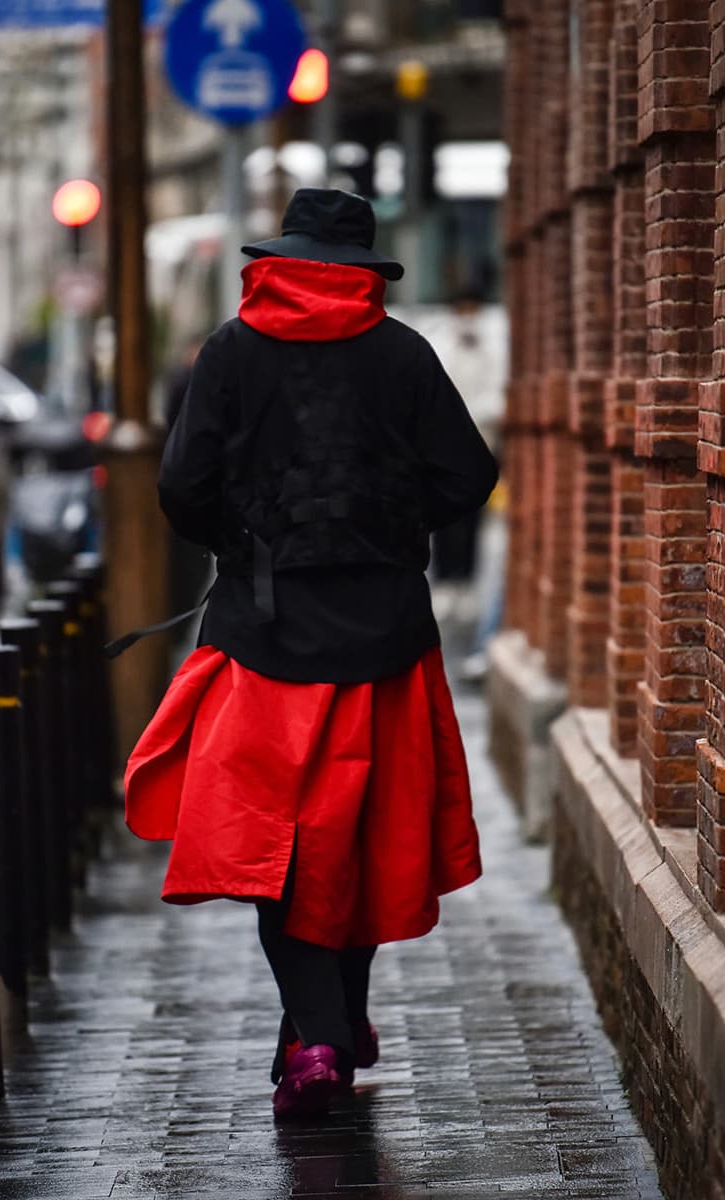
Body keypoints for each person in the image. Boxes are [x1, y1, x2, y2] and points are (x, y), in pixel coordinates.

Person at [124, 188, 499, 1120]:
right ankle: (328, 1027)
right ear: (363, 272)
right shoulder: (403, 354)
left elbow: (183, 486)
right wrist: (394, 531)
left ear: (278, 260)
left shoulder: (231, 351)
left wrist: (243, 546)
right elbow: (468, 473)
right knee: (360, 841)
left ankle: (321, 1034)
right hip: (386, 638)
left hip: (265, 640)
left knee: (280, 852)